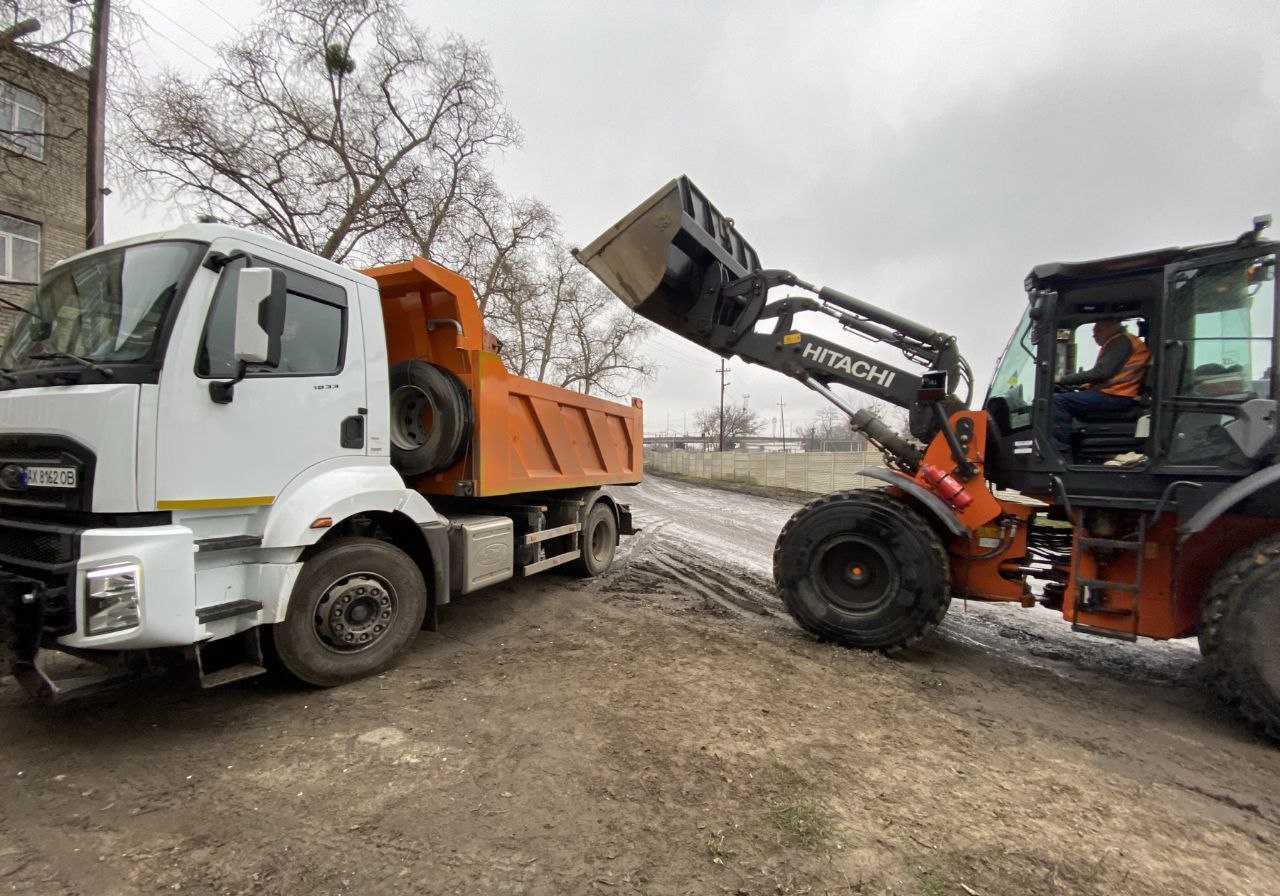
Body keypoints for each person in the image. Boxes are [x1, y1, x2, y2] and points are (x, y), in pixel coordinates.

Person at [1052, 318, 1151, 454]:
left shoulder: (1121, 341)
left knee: (1057, 401)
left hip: (1118, 397)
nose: (1094, 335)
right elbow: (1112, 375)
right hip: (1117, 394)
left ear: (1112, 326)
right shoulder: (1122, 341)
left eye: (1098, 330)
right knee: (1065, 397)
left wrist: (1062, 379)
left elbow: (1101, 373)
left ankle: (1059, 451)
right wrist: (1087, 385)